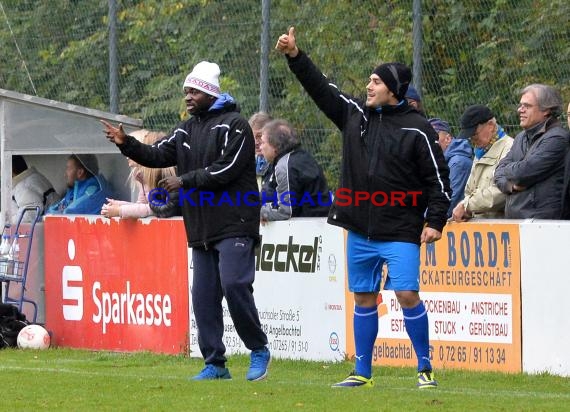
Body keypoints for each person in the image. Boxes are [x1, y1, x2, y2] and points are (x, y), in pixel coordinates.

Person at [276, 27, 450, 389]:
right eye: (369, 81)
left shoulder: (418, 129)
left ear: (393, 89)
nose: (368, 87)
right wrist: (295, 55)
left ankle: (425, 367)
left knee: (406, 294)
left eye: (375, 81)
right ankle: (363, 372)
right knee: (364, 297)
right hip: (360, 227)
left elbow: (439, 181)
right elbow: (321, 88)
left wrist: (435, 221)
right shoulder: (354, 113)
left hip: (401, 228)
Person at [101, 60, 270, 381]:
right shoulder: (185, 129)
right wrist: (128, 144)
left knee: (235, 285)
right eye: (186, 91)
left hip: (235, 221)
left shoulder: (236, 125)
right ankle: (215, 364)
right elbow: (157, 155)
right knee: (203, 297)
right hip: (201, 228)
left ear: (209, 92)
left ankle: (259, 349)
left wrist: (186, 180)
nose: (187, 96)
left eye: (193, 90)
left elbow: (227, 169)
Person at [495, 84, 570, 219]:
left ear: (546, 110)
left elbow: (522, 173)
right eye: (520, 105)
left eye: (527, 106)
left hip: (543, 225)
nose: (520, 110)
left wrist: (509, 170)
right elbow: (498, 171)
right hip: (516, 224)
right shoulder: (520, 137)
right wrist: (510, 185)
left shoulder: (557, 138)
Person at [259, 118, 330, 222]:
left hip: (307, 228)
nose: (260, 147)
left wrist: (259, 212)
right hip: (321, 222)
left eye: (263, 142)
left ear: (274, 146)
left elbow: (285, 211)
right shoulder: (303, 156)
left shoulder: (285, 165)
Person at [451, 106, 513, 221]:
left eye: (474, 134)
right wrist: (467, 208)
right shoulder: (481, 150)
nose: (471, 139)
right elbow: (469, 191)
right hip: (480, 227)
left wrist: (468, 205)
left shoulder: (510, 149)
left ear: (490, 125)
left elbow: (502, 191)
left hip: (502, 227)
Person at [100, 130, 177, 219]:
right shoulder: (141, 175)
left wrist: (120, 210)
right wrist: (120, 205)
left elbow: (156, 209)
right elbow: (143, 205)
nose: (127, 155)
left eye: (133, 149)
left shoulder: (164, 175)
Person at [429, 118, 472, 217]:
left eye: (433, 138)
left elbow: (449, 201)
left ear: (448, 139)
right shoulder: (438, 162)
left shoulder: (458, 162)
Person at [46, 154, 110, 215]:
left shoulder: (94, 191)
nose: (65, 175)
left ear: (80, 172)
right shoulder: (74, 190)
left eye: (68, 168)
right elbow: (52, 211)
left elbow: (68, 213)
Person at [10, 155, 60, 223]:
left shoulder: (24, 186)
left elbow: (28, 216)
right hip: (50, 223)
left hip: (47, 228)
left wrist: (6, 221)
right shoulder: (32, 178)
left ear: (11, 169)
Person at [248, 112, 273, 182]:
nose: (255, 142)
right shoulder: (245, 163)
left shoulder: (282, 165)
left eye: (260, 136)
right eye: (252, 137)